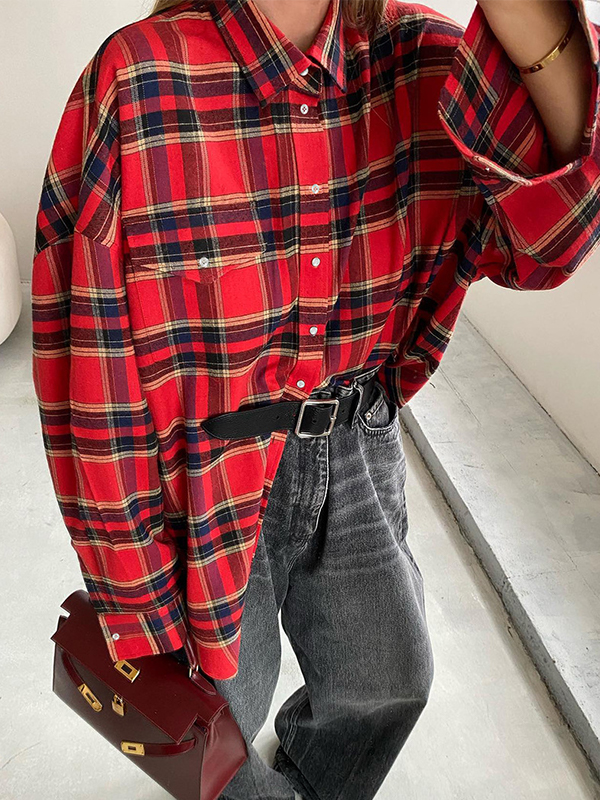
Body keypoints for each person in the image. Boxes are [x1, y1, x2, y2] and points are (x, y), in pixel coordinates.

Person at [31, 0, 600, 798]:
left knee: (391, 678)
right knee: (218, 718)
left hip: (358, 437)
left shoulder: (422, 58)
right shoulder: (139, 80)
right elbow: (87, 361)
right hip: (203, 473)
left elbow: (547, 244)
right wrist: (138, 603)